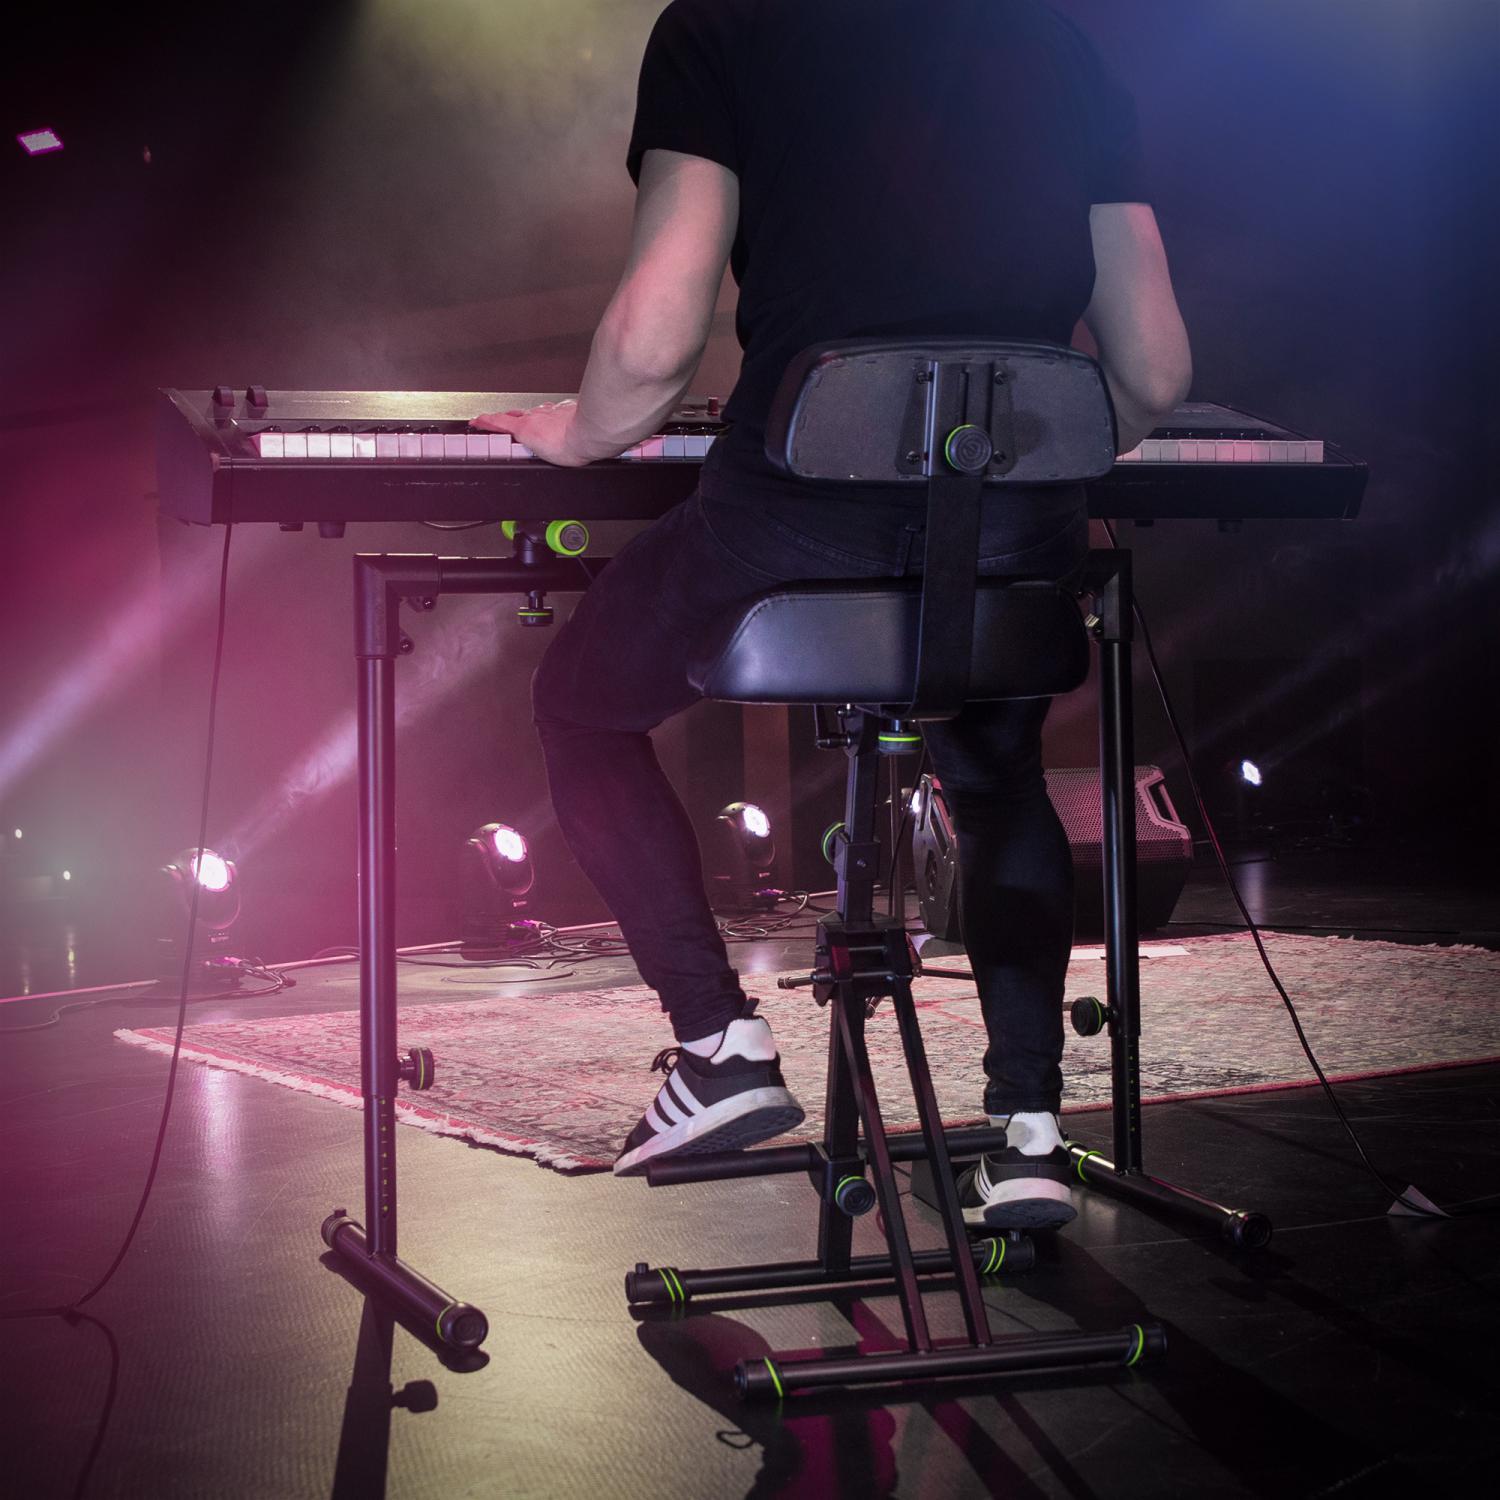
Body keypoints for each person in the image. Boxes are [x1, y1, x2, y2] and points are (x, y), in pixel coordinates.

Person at [475, 0, 1191, 1227]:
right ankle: (1027, 1133)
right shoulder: (1058, 41)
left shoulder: (721, 25)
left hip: (798, 515)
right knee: (999, 775)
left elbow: (653, 346)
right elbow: (1158, 372)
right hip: (1013, 525)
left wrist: (580, 432)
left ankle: (721, 1047)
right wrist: (1034, 455)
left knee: (580, 709)